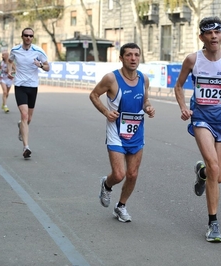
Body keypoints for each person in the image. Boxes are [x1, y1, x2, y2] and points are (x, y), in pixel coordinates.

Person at [174, 16, 221, 242]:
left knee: (219, 175)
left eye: (217, 32)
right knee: (214, 167)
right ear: (201, 37)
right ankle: (213, 224)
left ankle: (201, 172)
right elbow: (178, 85)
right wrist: (184, 107)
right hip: (201, 118)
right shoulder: (192, 59)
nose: (214, 36)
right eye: (209, 33)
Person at [89, 43, 155, 223]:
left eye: (136, 55)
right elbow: (94, 95)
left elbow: (145, 101)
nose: (133, 59)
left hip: (136, 132)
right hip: (116, 132)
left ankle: (121, 206)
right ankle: (106, 184)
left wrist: (148, 108)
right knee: (119, 174)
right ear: (121, 58)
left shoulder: (144, 79)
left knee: (132, 174)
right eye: (129, 55)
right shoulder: (111, 79)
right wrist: (106, 112)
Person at [7, 28, 50, 159]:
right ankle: (26, 147)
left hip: (32, 87)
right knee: (24, 115)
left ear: (33, 37)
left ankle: (21, 126)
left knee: (28, 119)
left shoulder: (38, 51)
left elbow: (48, 67)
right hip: (20, 86)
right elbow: (10, 60)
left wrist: (41, 65)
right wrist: (10, 71)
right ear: (22, 36)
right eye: (26, 35)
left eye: (31, 36)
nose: (28, 38)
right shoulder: (15, 50)